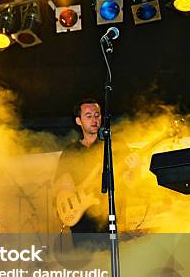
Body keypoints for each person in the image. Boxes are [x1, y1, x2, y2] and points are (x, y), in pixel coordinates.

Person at [54, 98, 140, 234]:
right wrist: (78, 195)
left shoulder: (114, 145)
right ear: (78, 121)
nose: (94, 119)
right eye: (88, 116)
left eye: (97, 115)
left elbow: (131, 184)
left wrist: (134, 169)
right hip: (81, 225)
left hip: (108, 220)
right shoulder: (71, 151)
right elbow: (60, 185)